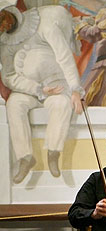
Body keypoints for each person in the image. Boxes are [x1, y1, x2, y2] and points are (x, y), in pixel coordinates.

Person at [0, 3, 83, 183]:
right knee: (14, 104)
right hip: (30, 90)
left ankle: (53, 153)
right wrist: (36, 88)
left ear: (8, 12)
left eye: (3, 20)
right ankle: (25, 157)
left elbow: (64, 56)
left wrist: (75, 89)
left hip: (56, 84)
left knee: (61, 104)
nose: (4, 27)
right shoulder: (5, 42)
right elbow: (8, 76)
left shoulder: (43, 23)